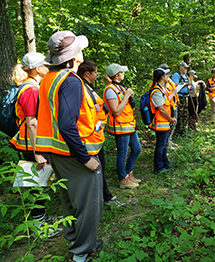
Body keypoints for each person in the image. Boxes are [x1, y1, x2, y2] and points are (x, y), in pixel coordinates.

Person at [35, 30, 104, 262]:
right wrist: (85, 158)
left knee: (70, 202)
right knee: (88, 206)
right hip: (75, 154)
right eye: (80, 50)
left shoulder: (48, 79)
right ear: (75, 58)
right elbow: (66, 124)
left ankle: (77, 239)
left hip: (58, 153)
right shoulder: (71, 82)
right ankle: (83, 251)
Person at [10, 52, 63, 238]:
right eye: (45, 65)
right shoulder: (31, 90)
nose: (48, 68)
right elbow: (32, 122)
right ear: (37, 69)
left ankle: (41, 220)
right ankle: (39, 228)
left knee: (38, 183)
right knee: (36, 184)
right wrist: (37, 152)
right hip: (30, 145)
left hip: (28, 143)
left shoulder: (28, 86)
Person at [77, 60, 126, 208]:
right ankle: (100, 200)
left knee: (100, 170)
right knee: (95, 171)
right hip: (88, 139)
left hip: (96, 137)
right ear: (88, 73)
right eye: (95, 72)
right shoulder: (80, 87)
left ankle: (104, 197)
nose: (98, 74)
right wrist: (97, 107)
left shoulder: (88, 87)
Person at [103, 64, 142, 189]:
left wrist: (129, 96)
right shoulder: (110, 90)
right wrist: (126, 96)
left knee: (137, 149)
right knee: (122, 153)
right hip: (120, 126)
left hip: (129, 125)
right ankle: (122, 179)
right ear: (116, 75)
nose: (124, 74)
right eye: (122, 72)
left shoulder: (120, 87)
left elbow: (128, 107)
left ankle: (128, 173)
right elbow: (116, 111)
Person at [149, 68, 177, 174]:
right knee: (160, 145)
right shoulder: (156, 91)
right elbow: (161, 108)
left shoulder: (162, 89)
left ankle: (165, 162)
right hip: (161, 123)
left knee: (164, 144)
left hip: (166, 123)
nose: (168, 77)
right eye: (167, 75)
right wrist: (171, 119)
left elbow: (166, 101)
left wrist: (173, 93)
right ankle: (158, 167)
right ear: (162, 77)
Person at [159, 63, 179, 150]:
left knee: (174, 124)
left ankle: (169, 141)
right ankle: (167, 143)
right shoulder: (160, 83)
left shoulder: (169, 80)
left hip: (173, 104)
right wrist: (173, 92)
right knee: (170, 125)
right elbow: (165, 96)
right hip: (167, 106)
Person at [171, 61, 192, 134]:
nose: (186, 69)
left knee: (185, 113)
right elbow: (175, 85)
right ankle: (178, 130)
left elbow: (190, 84)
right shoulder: (176, 75)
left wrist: (191, 86)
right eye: (185, 68)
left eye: (187, 68)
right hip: (179, 97)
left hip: (186, 97)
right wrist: (186, 84)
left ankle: (183, 129)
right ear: (180, 68)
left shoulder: (186, 76)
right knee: (180, 114)